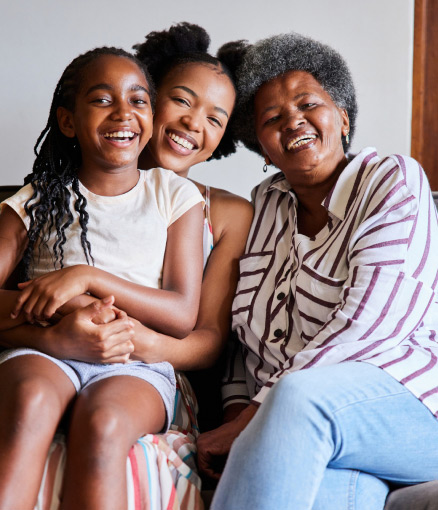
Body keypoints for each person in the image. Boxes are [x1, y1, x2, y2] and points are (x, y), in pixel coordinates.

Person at [196, 32, 438, 510]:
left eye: (309, 104)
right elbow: (244, 342)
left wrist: (253, 422)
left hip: (413, 408)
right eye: (272, 118)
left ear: (342, 118)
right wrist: (237, 410)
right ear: (261, 148)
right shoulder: (263, 206)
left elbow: (374, 327)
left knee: (299, 398)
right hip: (318, 430)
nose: (294, 122)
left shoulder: (390, 179)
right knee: (324, 493)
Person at [0, 46, 205, 510]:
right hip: (42, 349)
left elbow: (180, 314)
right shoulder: (38, 199)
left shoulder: (174, 195)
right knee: (30, 400)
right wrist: (57, 337)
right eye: (101, 99)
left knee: (104, 422)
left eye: (138, 100)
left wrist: (86, 277)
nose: (123, 112)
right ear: (68, 121)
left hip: (134, 365)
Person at [133, 22, 253, 431]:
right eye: (182, 100)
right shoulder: (72, 189)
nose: (193, 123)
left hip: (156, 379)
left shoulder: (229, 214)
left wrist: (143, 346)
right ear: (147, 96)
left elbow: (209, 340)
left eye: (215, 119)